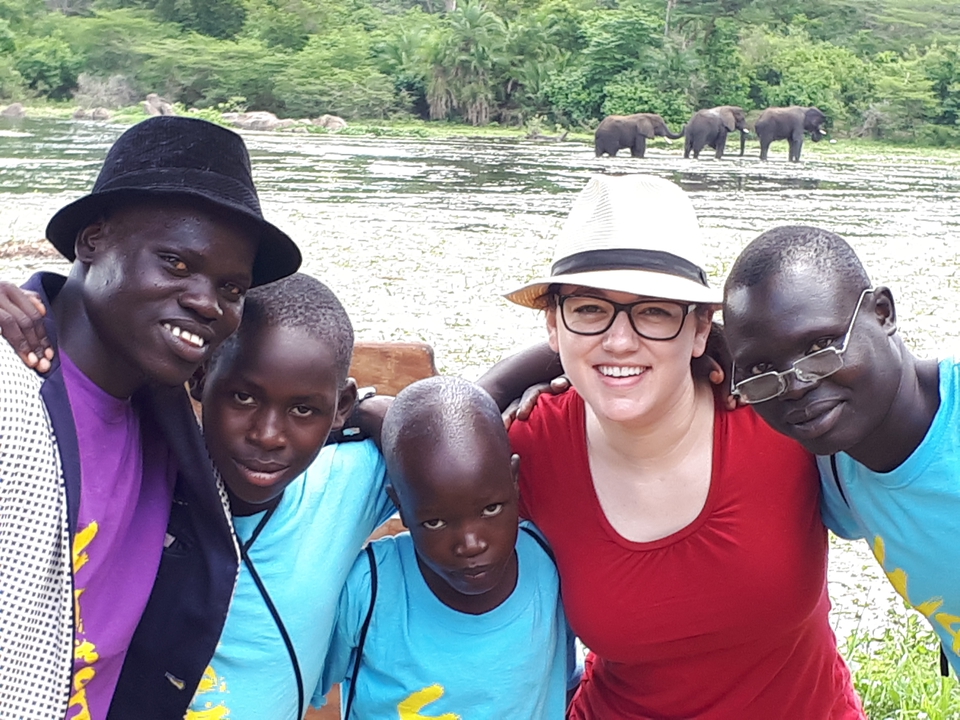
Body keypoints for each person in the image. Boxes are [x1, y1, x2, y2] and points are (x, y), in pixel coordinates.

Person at [479, 174, 863, 719]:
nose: (619, 340)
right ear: (552, 326)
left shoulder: (780, 418)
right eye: (589, 310)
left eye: (654, 311)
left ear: (702, 329)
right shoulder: (526, 445)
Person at [0, 115, 301, 720]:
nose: (206, 302)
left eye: (233, 288)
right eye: (176, 263)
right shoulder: (14, 394)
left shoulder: (171, 414)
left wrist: (374, 412)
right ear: (93, 241)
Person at [722, 225, 960, 673]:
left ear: (883, 313)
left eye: (820, 346)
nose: (795, 386)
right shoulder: (835, 468)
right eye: (761, 368)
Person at [183, 273, 395, 720]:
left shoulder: (345, 483)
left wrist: (386, 414)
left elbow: (463, 429)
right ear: (200, 378)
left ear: (340, 407)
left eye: (303, 409)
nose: (268, 436)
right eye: (243, 397)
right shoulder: (149, 478)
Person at [321, 376, 575, 719]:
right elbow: (295, 682)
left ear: (514, 481)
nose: (471, 545)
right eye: (436, 522)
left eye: (490, 509)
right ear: (401, 507)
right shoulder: (370, 588)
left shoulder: (551, 566)